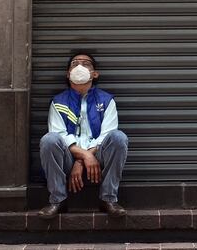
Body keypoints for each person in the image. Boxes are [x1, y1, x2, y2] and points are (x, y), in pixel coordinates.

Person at [39, 51, 129, 219]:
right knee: (49, 140)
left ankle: (108, 198)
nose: (80, 66)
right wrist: (84, 157)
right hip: (66, 159)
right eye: (75, 63)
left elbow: (107, 135)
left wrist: (83, 159)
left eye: (86, 63)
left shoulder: (106, 100)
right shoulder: (58, 102)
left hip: (98, 158)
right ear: (68, 74)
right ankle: (58, 200)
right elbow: (59, 134)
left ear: (95, 74)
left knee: (118, 138)